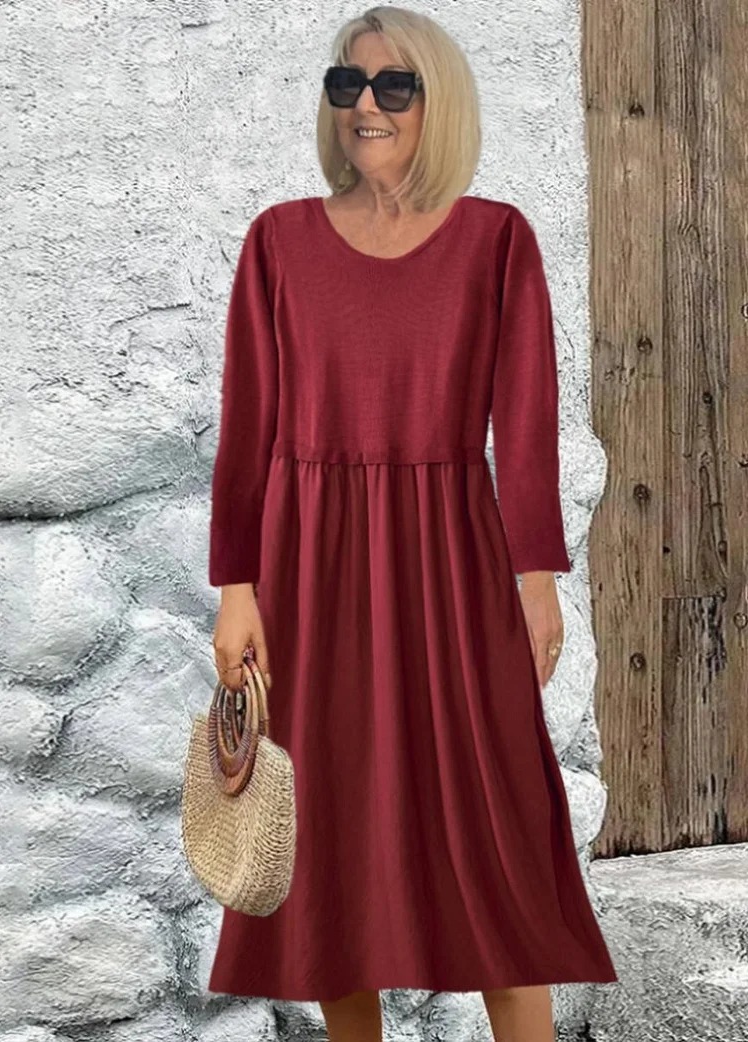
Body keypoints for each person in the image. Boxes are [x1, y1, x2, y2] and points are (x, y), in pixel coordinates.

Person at [206, 6, 618, 1041]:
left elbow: (525, 421)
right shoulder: (278, 241)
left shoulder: (496, 239)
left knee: (497, 831)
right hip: (309, 565)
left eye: (396, 86)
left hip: (452, 556)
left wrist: (536, 578)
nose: (368, 106)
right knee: (326, 830)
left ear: (442, 104)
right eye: (348, 85)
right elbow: (248, 427)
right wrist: (237, 589)